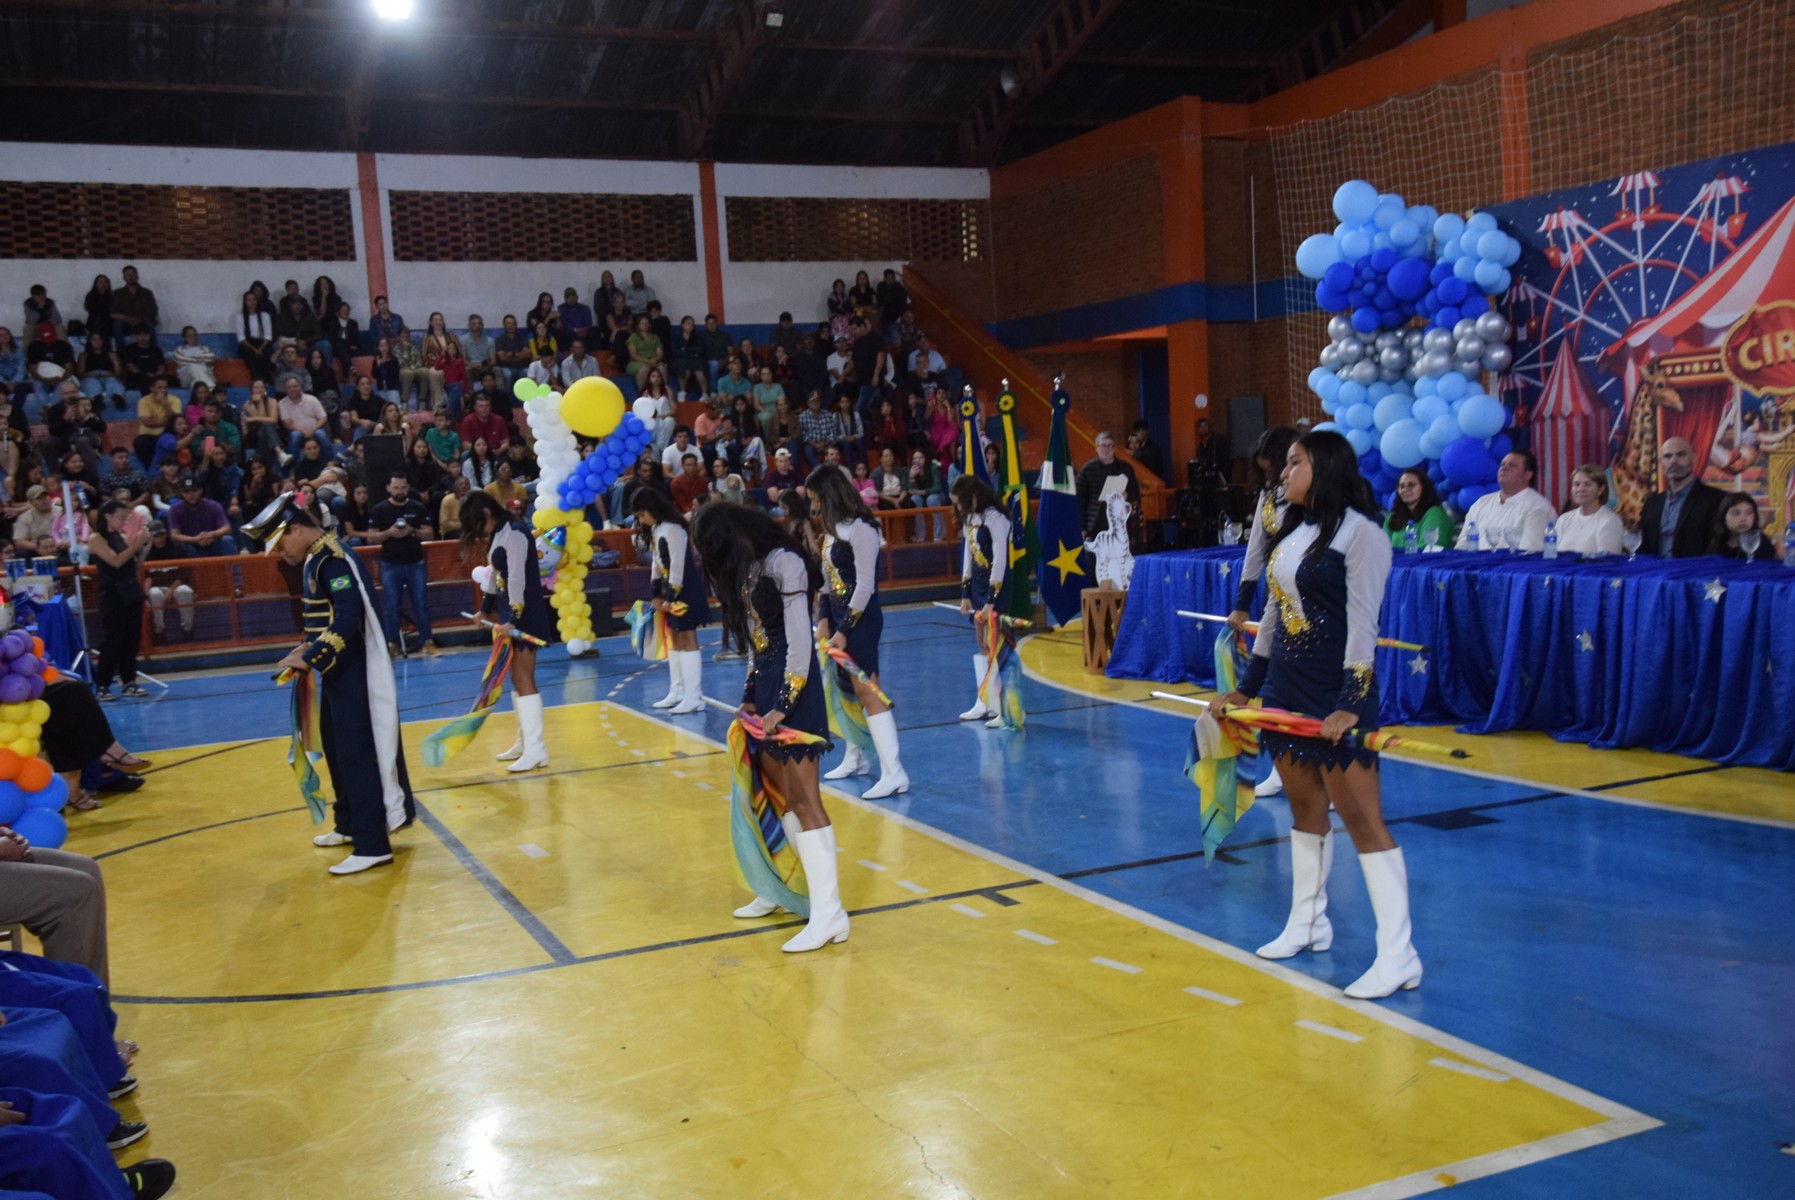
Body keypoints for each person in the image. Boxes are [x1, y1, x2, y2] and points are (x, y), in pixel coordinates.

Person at [1214, 429, 1419, 999]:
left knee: (1362, 821)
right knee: (1306, 812)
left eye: (1294, 463)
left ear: (1323, 467)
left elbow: (1363, 625)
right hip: (1286, 688)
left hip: (1336, 695)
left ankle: (1399, 955)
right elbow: (1274, 617)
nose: (1283, 474)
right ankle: (1308, 923)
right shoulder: (1292, 533)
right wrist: (1248, 689)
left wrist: (1351, 705)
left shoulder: (1364, 536)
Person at [688, 503, 848, 953]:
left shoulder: (786, 564)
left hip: (795, 696)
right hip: (769, 693)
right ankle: (782, 887)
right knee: (775, 797)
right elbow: (761, 645)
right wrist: (749, 696)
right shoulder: (753, 568)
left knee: (804, 799)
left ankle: (829, 913)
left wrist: (782, 704)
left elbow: (798, 642)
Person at [250, 497, 417, 875]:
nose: (279, 553)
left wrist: (310, 656)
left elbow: (347, 617)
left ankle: (373, 842)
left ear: (296, 529)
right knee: (338, 749)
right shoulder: (320, 555)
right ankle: (348, 823)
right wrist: (307, 647)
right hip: (336, 668)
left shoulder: (331, 560)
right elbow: (325, 616)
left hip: (352, 670)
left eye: (280, 543)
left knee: (357, 753)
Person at [809, 466, 907, 798]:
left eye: (817, 500)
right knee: (844, 689)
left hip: (861, 621)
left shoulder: (862, 529)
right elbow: (825, 579)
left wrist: (845, 629)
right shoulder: (832, 529)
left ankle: (894, 771)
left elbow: (865, 586)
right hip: (837, 619)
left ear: (830, 495)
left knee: (869, 690)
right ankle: (856, 757)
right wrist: (824, 619)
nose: (814, 508)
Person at [460, 492, 555, 772]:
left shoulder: (514, 532)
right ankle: (524, 741)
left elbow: (516, 577)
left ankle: (537, 749)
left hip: (524, 615)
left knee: (524, 678)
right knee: (516, 678)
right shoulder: (500, 532)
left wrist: (513, 617)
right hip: (508, 614)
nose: (478, 531)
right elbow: (495, 575)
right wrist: (484, 610)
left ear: (487, 513)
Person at [633, 488, 713, 717]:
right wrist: (655, 594)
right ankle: (677, 690)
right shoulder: (657, 529)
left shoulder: (674, 529)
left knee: (688, 636)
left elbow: (677, 565)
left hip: (684, 590)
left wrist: (671, 597)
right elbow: (656, 564)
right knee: (675, 637)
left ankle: (694, 696)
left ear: (652, 508)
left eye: (642, 514)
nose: (642, 520)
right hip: (670, 591)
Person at [951, 475, 1012, 726]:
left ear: (972, 497)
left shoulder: (997, 518)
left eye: (959, 502)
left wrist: (990, 600)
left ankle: (1006, 707)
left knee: (997, 646)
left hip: (995, 588)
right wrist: (965, 593)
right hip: (977, 588)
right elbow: (968, 554)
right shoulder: (970, 519)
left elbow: (1000, 560)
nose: (957, 508)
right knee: (982, 645)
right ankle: (985, 701)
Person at [368, 472, 438, 658]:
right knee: (391, 605)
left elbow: (430, 533)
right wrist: (389, 533)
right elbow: (371, 537)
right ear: (388, 488)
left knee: (421, 604)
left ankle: (428, 641)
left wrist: (412, 531)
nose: (400, 491)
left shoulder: (417, 507)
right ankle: (392, 644)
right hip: (390, 564)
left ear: (408, 488)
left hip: (415, 562)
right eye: (396, 487)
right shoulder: (379, 509)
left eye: (403, 487)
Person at [87, 501, 151, 702]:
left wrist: (144, 548)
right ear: (107, 516)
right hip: (113, 595)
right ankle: (103, 684)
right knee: (112, 639)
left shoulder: (121, 537)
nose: (124, 522)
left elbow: (133, 565)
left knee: (131, 639)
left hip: (131, 591)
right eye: (121, 517)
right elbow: (116, 561)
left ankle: (129, 680)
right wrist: (137, 543)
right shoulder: (96, 539)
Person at [1637, 436, 1726, 558]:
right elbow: (1642, 550)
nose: (1674, 461)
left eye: (1681, 455)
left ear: (1694, 458)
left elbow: (1718, 548)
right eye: (1667, 456)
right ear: (1661, 464)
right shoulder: (1651, 505)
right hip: (1655, 575)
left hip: (1696, 575)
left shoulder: (1717, 500)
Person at [1455, 450, 1557, 551]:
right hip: (1473, 565)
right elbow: (1463, 544)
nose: (1504, 468)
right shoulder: (1481, 503)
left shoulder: (1537, 507)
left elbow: (1529, 552)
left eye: (1512, 465)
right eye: (1502, 464)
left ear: (1528, 475)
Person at [1075, 431, 1141, 540]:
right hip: (1094, 524)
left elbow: (1136, 492)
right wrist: (1082, 527)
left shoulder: (1125, 468)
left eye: (1110, 445)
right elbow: (1079, 500)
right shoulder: (1087, 469)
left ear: (1115, 448)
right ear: (1096, 448)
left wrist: (1126, 495)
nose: (1107, 449)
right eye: (1103, 445)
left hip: (1120, 523)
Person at [1554, 465, 1625, 556]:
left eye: (1588, 484)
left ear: (1601, 489)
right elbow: (1552, 555)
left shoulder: (1610, 521)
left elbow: (1606, 563)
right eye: (1576, 484)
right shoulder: (1563, 519)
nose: (1580, 489)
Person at [1383, 469, 1456, 549]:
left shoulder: (1434, 514)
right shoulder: (1394, 516)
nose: (1405, 489)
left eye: (1411, 485)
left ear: (1423, 487)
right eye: (1402, 486)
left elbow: (1428, 548)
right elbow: (1382, 546)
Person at [165, 476, 236, 556]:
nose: (191, 495)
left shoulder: (213, 506)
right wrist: (195, 539)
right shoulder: (175, 509)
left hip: (212, 543)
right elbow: (174, 535)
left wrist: (210, 535)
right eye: (186, 492)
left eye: (194, 491)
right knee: (179, 546)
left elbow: (227, 528)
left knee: (227, 540)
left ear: (201, 490)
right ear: (182, 493)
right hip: (191, 546)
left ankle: (234, 568)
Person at [1707, 491, 1777, 560]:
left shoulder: (1762, 544)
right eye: (1736, 513)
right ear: (1723, 517)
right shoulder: (1715, 542)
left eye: (1749, 513)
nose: (1743, 519)